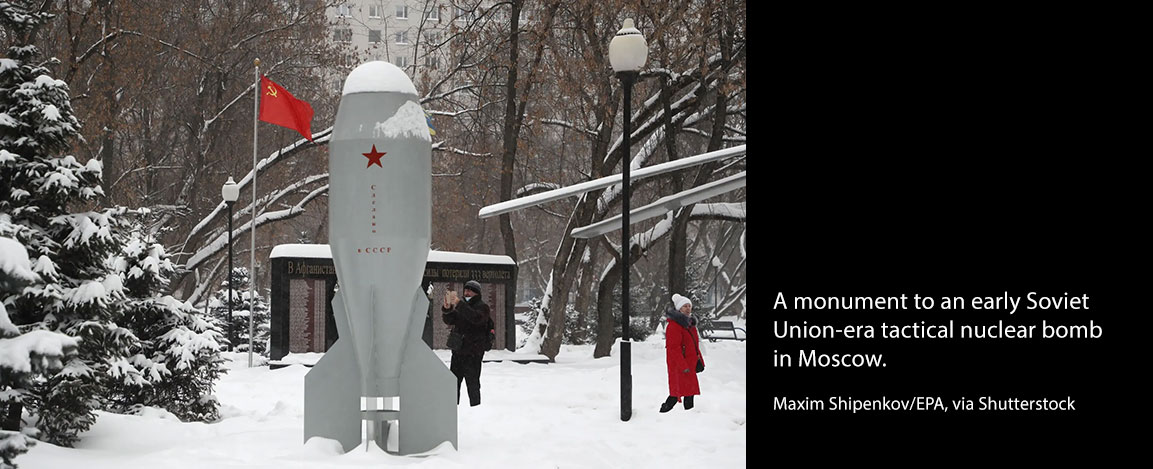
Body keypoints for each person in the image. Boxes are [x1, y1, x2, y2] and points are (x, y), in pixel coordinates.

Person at [441, 280, 491, 406]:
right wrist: (447, 309)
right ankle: (452, 406)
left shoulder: (482, 307)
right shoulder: (461, 307)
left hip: (473, 352)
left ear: (476, 293)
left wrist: (458, 304)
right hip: (458, 350)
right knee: (453, 382)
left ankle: (475, 408)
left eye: (470, 290)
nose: (467, 292)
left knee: (473, 382)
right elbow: (450, 320)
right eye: (466, 290)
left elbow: (475, 318)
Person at [660, 293, 703, 412]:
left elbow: (694, 345)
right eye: (685, 306)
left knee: (689, 391)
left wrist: (700, 361)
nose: (688, 308)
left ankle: (689, 415)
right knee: (676, 392)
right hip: (679, 364)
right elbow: (673, 348)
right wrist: (683, 365)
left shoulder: (690, 325)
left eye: (689, 306)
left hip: (690, 363)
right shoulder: (674, 326)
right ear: (679, 308)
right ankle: (662, 413)